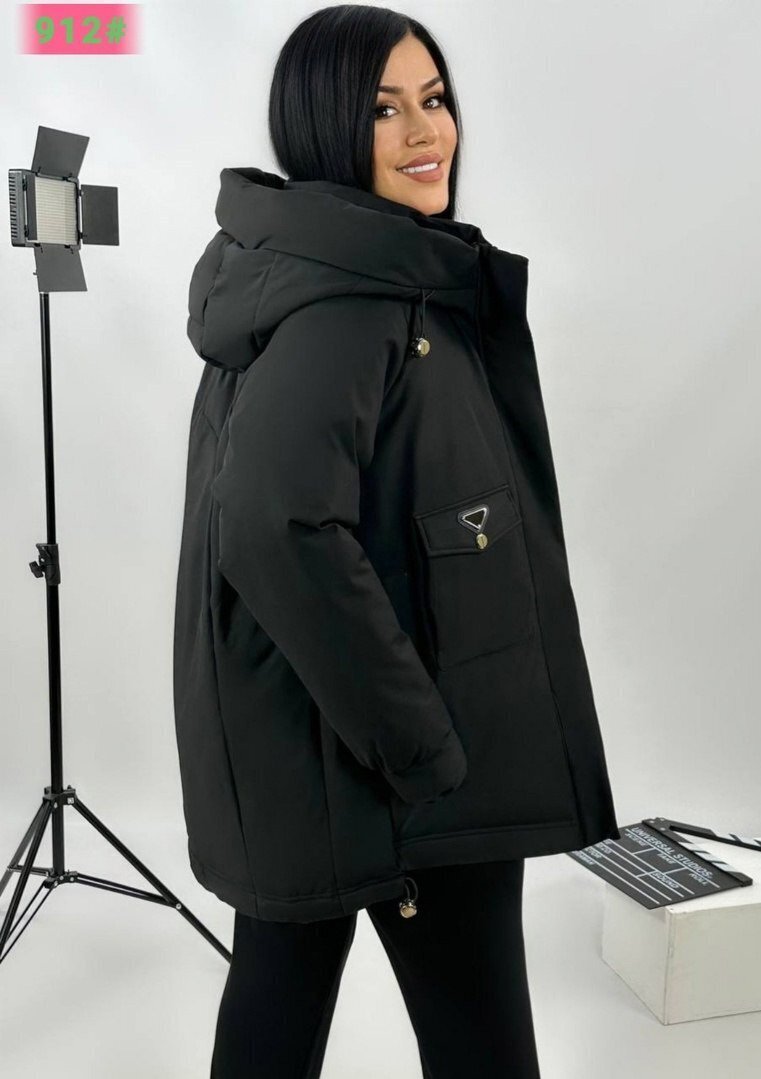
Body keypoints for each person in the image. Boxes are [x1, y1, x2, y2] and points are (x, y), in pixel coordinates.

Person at [172, 5, 621, 1076]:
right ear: (324, 127)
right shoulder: (352, 300)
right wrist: (421, 748)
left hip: (316, 755)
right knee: (480, 1047)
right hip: (394, 772)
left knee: (275, 1013)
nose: (425, 132)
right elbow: (274, 522)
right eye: (382, 110)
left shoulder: (338, 269)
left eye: (434, 98)